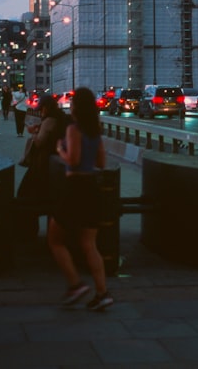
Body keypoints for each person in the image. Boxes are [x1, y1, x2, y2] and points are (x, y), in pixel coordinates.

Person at [47, 87, 113, 310]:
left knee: (55, 240)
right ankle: (102, 293)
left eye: (73, 101)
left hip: (75, 188)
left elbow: (73, 160)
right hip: (92, 188)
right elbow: (102, 163)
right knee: (89, 243)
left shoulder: (74, 130)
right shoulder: (95, 131)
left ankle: (75, 285)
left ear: (77, 107)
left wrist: (59, 149)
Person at [14, 94, 67, 238]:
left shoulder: (49, 121)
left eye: (41, 109)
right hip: (53, 165)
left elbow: (39, 142)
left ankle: (27, 232)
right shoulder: (60, 118)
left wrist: (33, 132)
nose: (40, 112)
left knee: (25, 194)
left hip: (42, 165)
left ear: (46, 108)